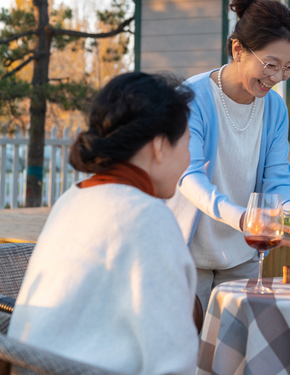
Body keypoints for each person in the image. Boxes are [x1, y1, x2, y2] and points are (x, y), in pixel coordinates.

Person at [9, 73, 198, 374]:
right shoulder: (146, 217)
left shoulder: (73, 199)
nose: (189, 160)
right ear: (160, 146)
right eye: (188, 144)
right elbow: (174, 363)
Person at [166, 0, 290, 312]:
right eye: (270, 64)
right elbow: (189, 175)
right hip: (188, 252)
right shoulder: (193, 97)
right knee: (190, 353)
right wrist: (243, 218)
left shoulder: (274, 107)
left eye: (288, 68)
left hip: (244, 254)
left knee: (238, 350)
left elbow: (278, 175)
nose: (277, 78)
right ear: (238, 49)